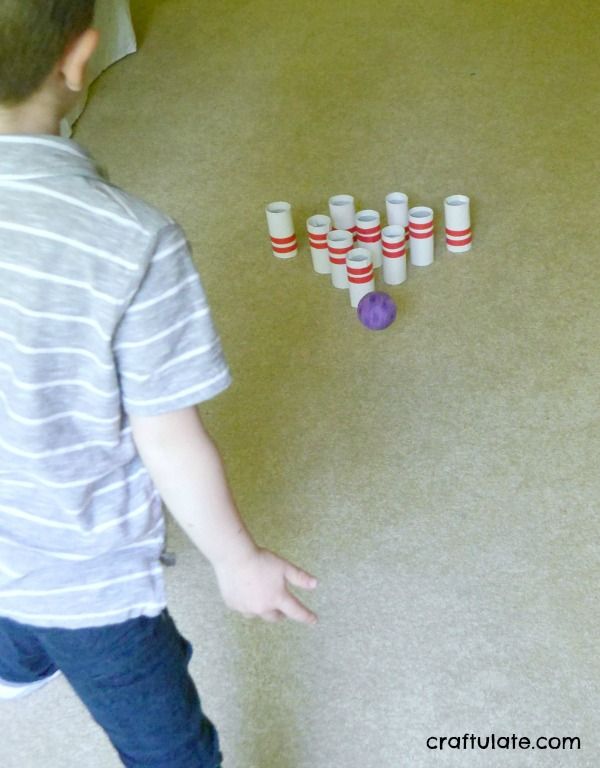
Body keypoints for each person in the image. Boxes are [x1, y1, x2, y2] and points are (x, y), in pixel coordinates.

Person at [0, 2, 318, 766]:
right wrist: (237, 559)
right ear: (79, 59)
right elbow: (167, 435)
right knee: (166, 741)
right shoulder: (130, 242)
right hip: (84, 580)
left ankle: (15, 662)